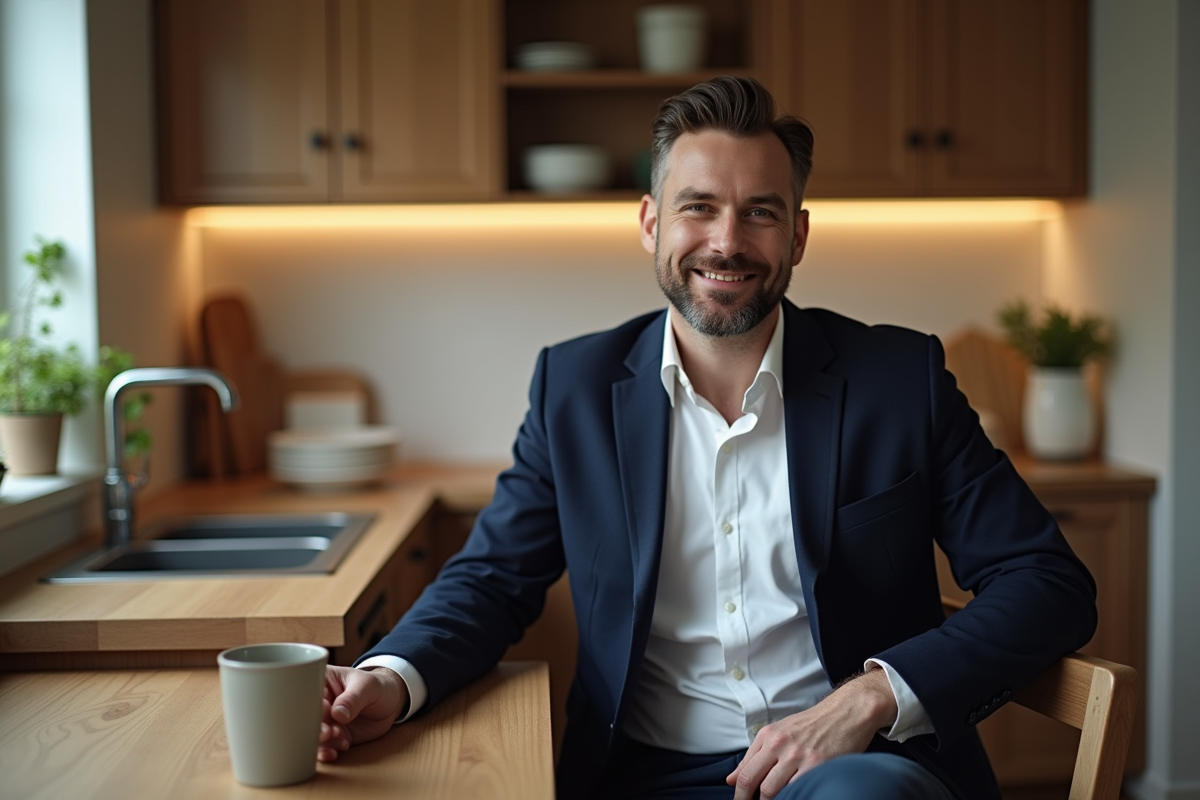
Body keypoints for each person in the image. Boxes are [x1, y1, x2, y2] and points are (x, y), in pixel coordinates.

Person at [317, 76, 1097, 800]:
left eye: (760, 210)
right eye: (698, 207)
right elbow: (492, 580)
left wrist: (875, 693)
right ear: (652, 222)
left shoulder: (900, 380)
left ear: (798, 234)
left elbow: (1046, 582)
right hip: (644, 774)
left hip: (858, 770)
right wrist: (390, 676)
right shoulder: (575, 390)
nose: (727, 241)